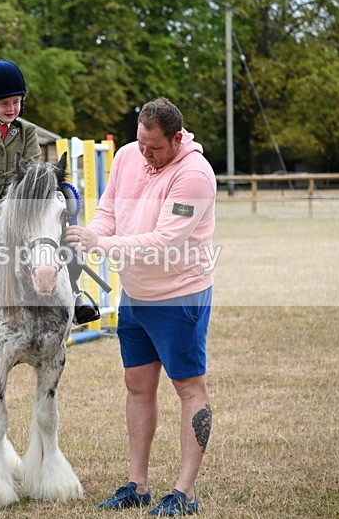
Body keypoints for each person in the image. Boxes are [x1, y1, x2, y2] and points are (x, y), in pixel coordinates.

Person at [65, 98, 216, 516]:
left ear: (177, 138)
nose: (145, 154)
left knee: (188, 388)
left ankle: (184, 493)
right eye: (141, 142)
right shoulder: (129, 156)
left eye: (155, 147)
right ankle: (138, 485)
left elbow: (165, 241)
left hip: (178, 294)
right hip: (135, 294)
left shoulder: (194, 176)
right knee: (137, 385)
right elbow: (109, 210)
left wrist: (104, 245)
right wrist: (88, 236)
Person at [0, 59, 99, 332]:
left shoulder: (28, 133)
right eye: (4, 104)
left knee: (64, 241)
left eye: (16, 102)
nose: (11, 108)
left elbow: (35, 174)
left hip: (25, 210)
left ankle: (75, 293)